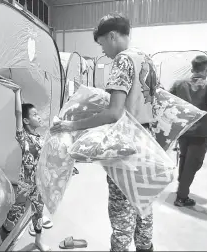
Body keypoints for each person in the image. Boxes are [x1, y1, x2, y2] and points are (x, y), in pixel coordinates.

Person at [51, 13, 157, 252]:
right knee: (144, 204)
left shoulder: (122, 60)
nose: (104, 52)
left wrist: (72, 125)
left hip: (125, 146)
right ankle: (145, 247)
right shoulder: (146, 59)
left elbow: (114, 113)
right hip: (147, 143)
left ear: (112, 36)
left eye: (102, 45)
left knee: (121, 213)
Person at [1, 89, 52, 251]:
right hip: (25, 184)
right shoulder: (23, 137)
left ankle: (38, 240)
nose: (39, 116)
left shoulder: (41, 138)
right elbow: (17, 113)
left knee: (38, 212)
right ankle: (4, 233)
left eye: (38, 114)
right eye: (35, 114)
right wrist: (17, 93)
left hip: (39, 184)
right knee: (16, 211)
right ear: (26, 120)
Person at [170, 55, 207, 207]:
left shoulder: (178, 84)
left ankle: (182, 188)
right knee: (193, 164)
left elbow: (167, 101)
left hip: (183, 129)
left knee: (184, 160)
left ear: (192, 69)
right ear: (206, 70)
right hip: (200, 132)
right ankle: (181, 197)